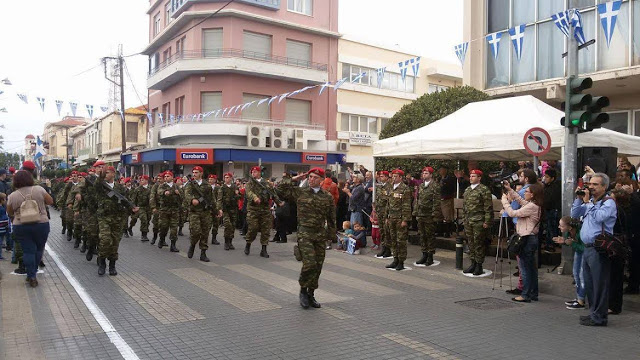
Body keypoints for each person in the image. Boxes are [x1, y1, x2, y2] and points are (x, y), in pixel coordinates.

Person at [278, 168, 336, 309]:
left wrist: (331, 235)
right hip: (305, 233)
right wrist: (293, 179)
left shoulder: (327, 196)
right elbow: (280, 189)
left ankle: (311, 293)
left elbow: (331, 217)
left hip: (320, 234)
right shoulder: (300, 192)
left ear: (321, 180)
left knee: (318, 266)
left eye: (315, 177)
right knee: (309, 264)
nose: (311, 179)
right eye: (310, 177)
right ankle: (303, 291)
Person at [571, 173, 617, 326]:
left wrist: (588, 203)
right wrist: (579, 199)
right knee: (590, 283)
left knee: (599, 284)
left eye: (595, 184)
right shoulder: (590, 201)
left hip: (599, 248)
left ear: (604, 186)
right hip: (587, 248)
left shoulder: (608, 202)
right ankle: (593, 314)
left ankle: (600, 318)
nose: (591, 187)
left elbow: (599, 218)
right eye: (590, 184)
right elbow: (574, 214)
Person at [7, 170, 53, 287]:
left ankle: (31, 275)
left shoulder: (13, 195)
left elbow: (10, 212)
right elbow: (50, 201)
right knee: (39, 249)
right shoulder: (39, 189)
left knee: (28, 251)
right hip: (41, 223)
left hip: (21, 225)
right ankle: (33, 272)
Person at [502, 182, 543, 303]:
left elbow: (512, 213)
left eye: (527, 191)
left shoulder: (532, 207)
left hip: (526, 239)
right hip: (531, 238)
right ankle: (533, 293)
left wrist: (505, 202)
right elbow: (520, 200)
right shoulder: (534, 204)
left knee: (524, 268)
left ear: (533, 194)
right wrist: (510, 190)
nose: (524, 193)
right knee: (531, 269)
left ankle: (525, 295)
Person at [94, 165, 139, 276]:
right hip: (104, 217)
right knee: (105, 239)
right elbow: (97, 183)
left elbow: (127, 201)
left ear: (113, 174)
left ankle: (112, 265)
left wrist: (133, 208)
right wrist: (101, 174)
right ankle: (102, 262)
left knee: (115, 242)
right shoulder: (101, 185)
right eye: (105, 173)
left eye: (108, 172)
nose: (106, 174)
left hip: (118, 218)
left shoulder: (120, 188)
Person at [245, 166, 283, 258]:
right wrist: (254, 198)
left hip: (265, 209)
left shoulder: (266, 183)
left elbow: (273, 194)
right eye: (252, 172)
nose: (253, 173)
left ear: (259, 173)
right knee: (253, 228)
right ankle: (248, 243)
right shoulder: (250, 183)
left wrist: (279, 202)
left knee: (266, 230)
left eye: (255, 172)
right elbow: (249, 192)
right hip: (253, 209)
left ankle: (264, 249)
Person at [184, 166, 217, 262]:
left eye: (196, 172)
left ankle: (203, 253)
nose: (194, 174)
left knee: (205, 233)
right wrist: (192, 200)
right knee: (195, 231)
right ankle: (192, 245)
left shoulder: (207, 185)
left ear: (201, 173)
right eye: (193, 172)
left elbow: (212, 199)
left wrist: (216, 210)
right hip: (194, 212)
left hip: (205, 212)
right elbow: (187, 194)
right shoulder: (190, 184)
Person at [462, 169, 492, 276]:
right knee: (470, 243)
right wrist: (464, 219)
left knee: (478, 243)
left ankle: (479, 265)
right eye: (470, 176)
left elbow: (488, 207)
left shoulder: (484, 190)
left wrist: (487, 221)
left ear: (479, 178)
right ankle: (473, 263)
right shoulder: (467, 190)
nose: (471, 178)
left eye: (473, 176)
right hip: (468, 221)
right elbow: (465, 207)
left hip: (479, 220)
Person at [553, 216, 586, 310]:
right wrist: (563, 242)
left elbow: (585, 248)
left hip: (584, 253)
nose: (559, 227)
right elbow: (570, 242)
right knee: (576, 274)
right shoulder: (568, 232)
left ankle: (581, 300)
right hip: (578, 252)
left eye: (561, 225)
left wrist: (571, 243)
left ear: (570, 227)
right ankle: (579, 298)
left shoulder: (581, 232)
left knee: (582, 275)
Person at [384, 169, 412, 271]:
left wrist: (405, 220)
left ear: (400, 177)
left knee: (401, 241)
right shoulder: (391, 187)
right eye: (393, 176)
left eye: (396, 176)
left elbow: (406, 206)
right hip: (391, 218)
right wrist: (387, 216)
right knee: (393, 240)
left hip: (400, 219)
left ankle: (401, 261)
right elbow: (388, 203)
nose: (393, 178)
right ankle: (395, 259)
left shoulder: (405, 189)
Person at [414, 166, 442, 266]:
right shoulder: (421, 185)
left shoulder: (435, 186)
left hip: (429, 215)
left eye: (426, 173)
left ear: (431, 175)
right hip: (421, 214)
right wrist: (415, 212)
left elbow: (436, 201)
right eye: (423, 173)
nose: (424, 175)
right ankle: (424, 254)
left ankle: (430, 256)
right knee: (422, 235)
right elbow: (418, 199)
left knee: (430, 236)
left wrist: (435, 215)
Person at [156, 171, 182, 251]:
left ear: (172, 177)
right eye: (165, 177)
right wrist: (165, 192)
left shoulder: (176, 186)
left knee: (174, 228)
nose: (166, 178)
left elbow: (183, 196)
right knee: (163, 227)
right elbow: (159, 192)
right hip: (164, 210)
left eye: (168, 176)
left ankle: (173, 245)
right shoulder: (162, 186)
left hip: (174, 210)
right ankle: (161, 239)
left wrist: (179, 193)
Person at [543, 169, 562, 253]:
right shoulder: (547, 186)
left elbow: (550, 199)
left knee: (551, 227)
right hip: (549, 209)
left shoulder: (555, 187)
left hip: (552, 209)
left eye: (547, 177)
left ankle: (550, 245)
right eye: (545, 176)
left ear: (552, 178)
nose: (545, 178)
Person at [220, 172, 240, 250]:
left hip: (234, 209)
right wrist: (219, 209)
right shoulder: (222, 187)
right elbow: (219, 199)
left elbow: (239, 197)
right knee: (227, 225)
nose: (226, 179)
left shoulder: (235, 187)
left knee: (233, 226)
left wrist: (237, 194)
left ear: (231, 178)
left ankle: (230, 242)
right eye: (225, 177)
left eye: (228, 177)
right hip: (226, 210)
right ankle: (226, 242)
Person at [130, 175, 152, 242]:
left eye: (142, 180)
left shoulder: (151, 188)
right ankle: (143, 235)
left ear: (146, 180)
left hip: (148, 207)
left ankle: (144, 233)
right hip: (140, 207)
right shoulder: (138, 189)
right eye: (140, 180)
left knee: (147, 220)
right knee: (143, 219)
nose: (140, 181)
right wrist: (133, 207)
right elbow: (133, 199)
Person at [439, 165, 456, 237]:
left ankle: (448, 232)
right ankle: (440, 231)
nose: (440, 171)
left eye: (442, 170)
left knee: (447, 215)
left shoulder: (449, 178)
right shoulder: (440, 178)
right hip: (440, 198)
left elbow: (450, 187)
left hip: (447, 199)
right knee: (439, 215)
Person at [149, 173, 164, 245]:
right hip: (157, 207)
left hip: (165, 208)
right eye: (158, 179)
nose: (158, 180)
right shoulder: (155, 186)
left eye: (160, 179)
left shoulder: (167, 186)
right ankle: (154, 237)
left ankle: (162, 239)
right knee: (156, 224)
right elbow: (152, 196)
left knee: (164, 225)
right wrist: (153, 207)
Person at [208, 175, 221, 245]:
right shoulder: (206, 187)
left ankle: (214, 238)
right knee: (207, 224)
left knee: (216, 224)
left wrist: (219, 208)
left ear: (215, 180)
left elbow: (220, 197)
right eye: (209, 179)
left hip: (216, 208)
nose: (210, 180)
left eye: (212, 179)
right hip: (208, 208)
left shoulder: (218, 188)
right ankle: (205, 237)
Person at [0, 193, 10, 259]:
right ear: (1, 200)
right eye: (5, 199)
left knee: (1, 241)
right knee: (0, 242)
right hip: (1, 226)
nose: (6, 200)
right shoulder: (1, 208)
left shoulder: (2, 207)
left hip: (3, 226)